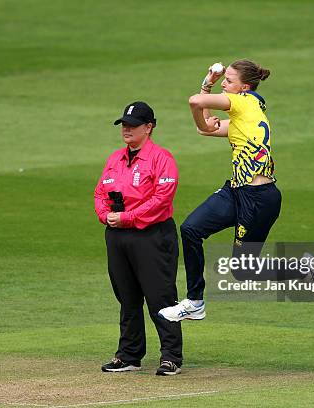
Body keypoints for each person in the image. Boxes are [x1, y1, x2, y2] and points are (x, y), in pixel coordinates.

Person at [159, 59, 314, 322]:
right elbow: (203, 129)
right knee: (191, 229)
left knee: (244, 270)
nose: (224, 83)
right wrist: (206, 111)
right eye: (224, 80)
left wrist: (208, 83)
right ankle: (195, 302)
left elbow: (195, 102)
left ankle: (302, 268)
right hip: (236, 191)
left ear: (244, 87)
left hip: (259, 199)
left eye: (229, 80)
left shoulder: (244, 102)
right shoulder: (247, 110)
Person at [94, 101, 183, 375]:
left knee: (160, 296)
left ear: (149, 127)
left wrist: (127, 217)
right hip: (118, 235)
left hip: (152, 235)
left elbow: (161, 199)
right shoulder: (115, 159)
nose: (127, 129)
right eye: (124, 124)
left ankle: (171, 357)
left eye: (133, 125)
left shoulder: (161, 158)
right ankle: (130, 355)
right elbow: (100, 193)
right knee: (127, 297)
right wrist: (105, 215)